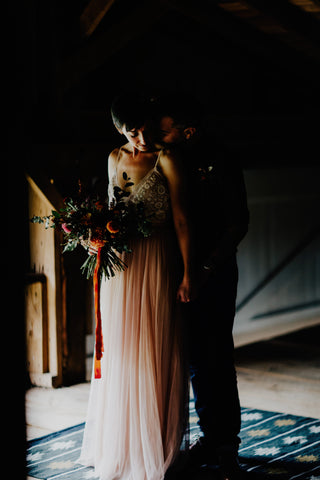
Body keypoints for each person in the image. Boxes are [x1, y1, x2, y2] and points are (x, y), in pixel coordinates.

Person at [78, 93, 193, 480]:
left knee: (155, 348)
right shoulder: (114, 158)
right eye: (133, 131)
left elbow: (180, 219)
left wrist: (189, 272)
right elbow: (110, 210)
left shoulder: (168, 159)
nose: (142, 137)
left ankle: (156, 445)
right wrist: (92, 237)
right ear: (119, 129)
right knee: (124, 350)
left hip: (158, 261)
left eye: (146, 128)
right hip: (121, 267)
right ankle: (123, 443)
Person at [154, 93, 250, 480]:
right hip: (171, 273)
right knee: (192, 358)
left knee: (215, 357)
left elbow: (237, 222)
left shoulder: (222, 160)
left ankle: (226, 443)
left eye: (164, 130)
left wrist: (206, 267)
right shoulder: (162, 159)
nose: (156, 136)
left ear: (186, 131)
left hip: (214, 270)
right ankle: (200, 437)